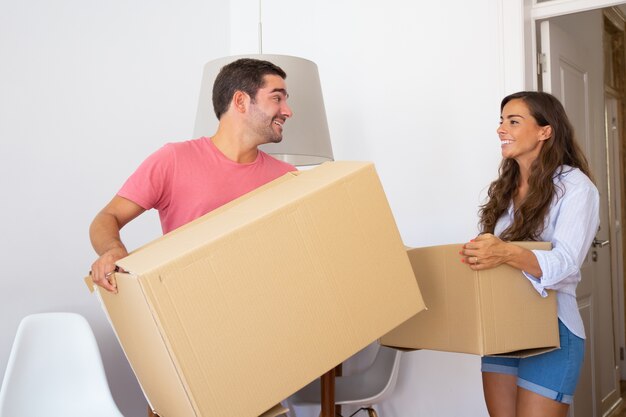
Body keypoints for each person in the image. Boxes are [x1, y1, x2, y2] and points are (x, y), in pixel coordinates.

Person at [89, 58, 296, 293]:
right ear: (240, 101)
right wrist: (113, 250)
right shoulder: (174, 159)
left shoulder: (288, 178)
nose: (288, 111)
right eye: (277, 98)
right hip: (190, 306)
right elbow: (108, 216)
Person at [459, 91, 599, 417]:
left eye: (513, 121)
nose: (501, 129)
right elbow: (495, 260)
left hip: (554, 330)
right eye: (501, 121)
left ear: (544, 131)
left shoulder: (576, 188)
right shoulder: (503, 190)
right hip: (503, 327)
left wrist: (505, 252)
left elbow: (565, 264)